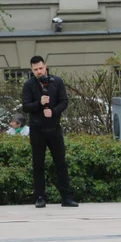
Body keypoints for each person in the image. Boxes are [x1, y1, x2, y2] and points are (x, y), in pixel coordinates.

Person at [21, 55, 77, 207]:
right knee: (38, 163)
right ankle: (40, 196)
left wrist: (53, 111)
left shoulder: (56, 82)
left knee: (61, 162)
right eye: (35, 69)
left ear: (45, 66)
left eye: (41, 68)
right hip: (37, 129)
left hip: (54, 128)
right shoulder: (29, 85)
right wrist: (39, 103)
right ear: (32, 70)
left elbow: (64, 101)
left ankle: (66, 197)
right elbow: (25, 106)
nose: (39, 71)